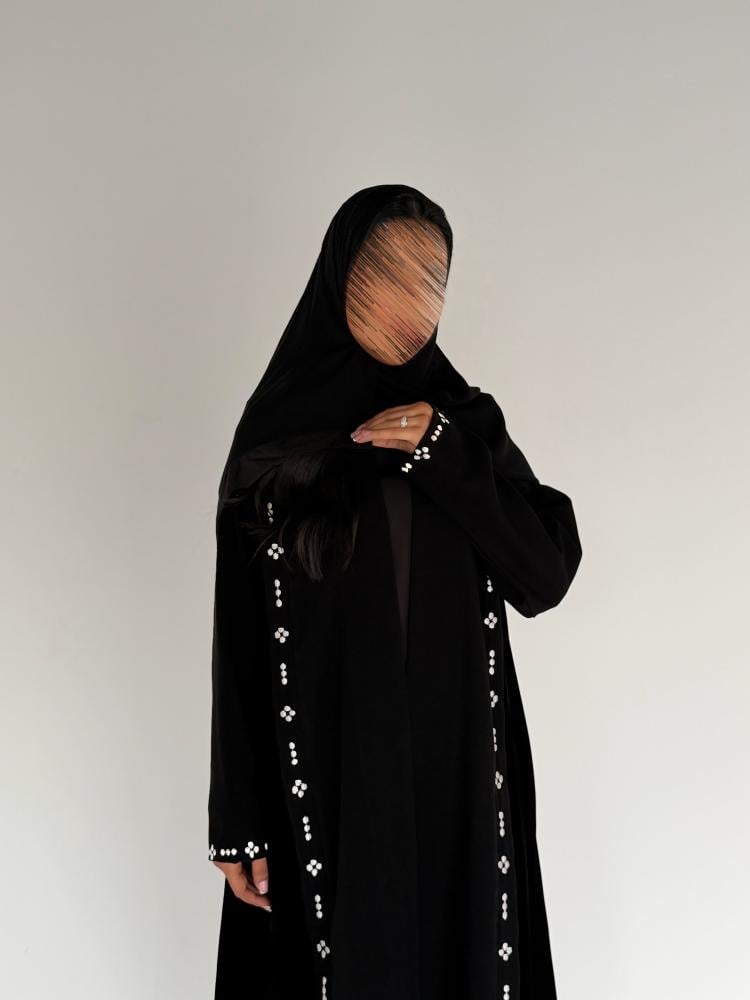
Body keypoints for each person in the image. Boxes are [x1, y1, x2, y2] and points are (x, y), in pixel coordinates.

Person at [207, 183, 583, 1000]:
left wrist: (444, 454)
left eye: (431, 280)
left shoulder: (464, 424)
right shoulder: (276, 438)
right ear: (338, 276)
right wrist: (236, 821)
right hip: (332, 767)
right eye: (384, 272)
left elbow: (545, 574)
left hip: (455, 770)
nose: (410, 302)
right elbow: (238, 634)